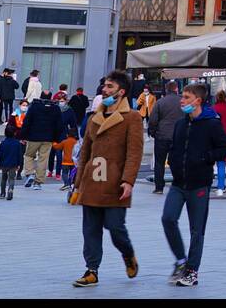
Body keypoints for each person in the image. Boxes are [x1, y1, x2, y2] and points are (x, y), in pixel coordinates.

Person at [71, 70, 144, 287]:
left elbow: (134, 153)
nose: (105, 90)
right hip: (92, 182)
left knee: (115, 227)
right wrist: (77, 185)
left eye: (110, 87)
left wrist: (128, 181)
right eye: (105, 86)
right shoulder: (94, 118)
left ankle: (128, 253)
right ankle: (91, 270)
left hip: (115, 184)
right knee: (90, 230)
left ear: (121, 92)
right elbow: (85, 153)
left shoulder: (132, 118)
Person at [162, 82, 226, 287]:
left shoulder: (211, 123)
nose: (181, 101)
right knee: (168, 218)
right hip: (178, 183)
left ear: (197, 101)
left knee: (196, 230)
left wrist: (205, 158)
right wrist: (173, 161)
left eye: (185, 97)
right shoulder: (181, 123)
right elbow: (175, 147)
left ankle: (192, 271)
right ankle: (181, 261)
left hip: (199, 185)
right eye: (182, 97)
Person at [20, 90, 67, 188]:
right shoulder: (55, 108)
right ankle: (38, 182)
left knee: (29, 155)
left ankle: (30, 174)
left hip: (33, 136)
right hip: (48, 138)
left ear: (40, 96)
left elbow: (27, 121)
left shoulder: (34, 106)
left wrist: (23, 135)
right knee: (43, 159)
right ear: (51, 98)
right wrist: (57, 138)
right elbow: (59, 125)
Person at [148, 80, 182, 194]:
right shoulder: (182, 101)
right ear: (176, 89)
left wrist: (153, 132)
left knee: (159, 162)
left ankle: (159, 187)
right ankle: (179, 184)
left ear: (166, 90)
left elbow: (153, 120)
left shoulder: (160, 102)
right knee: (178, 161)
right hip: (177, 136)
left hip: (162, 136)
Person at [0, 119, 25, 200]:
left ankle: (2, 193)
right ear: (15, 133)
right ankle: (10, 189)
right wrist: (19, 164)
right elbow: (19, 155)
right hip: (13, 164)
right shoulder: (17, 143)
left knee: (4, 178)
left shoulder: (3, 143)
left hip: (4, 164)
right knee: (12, 178)